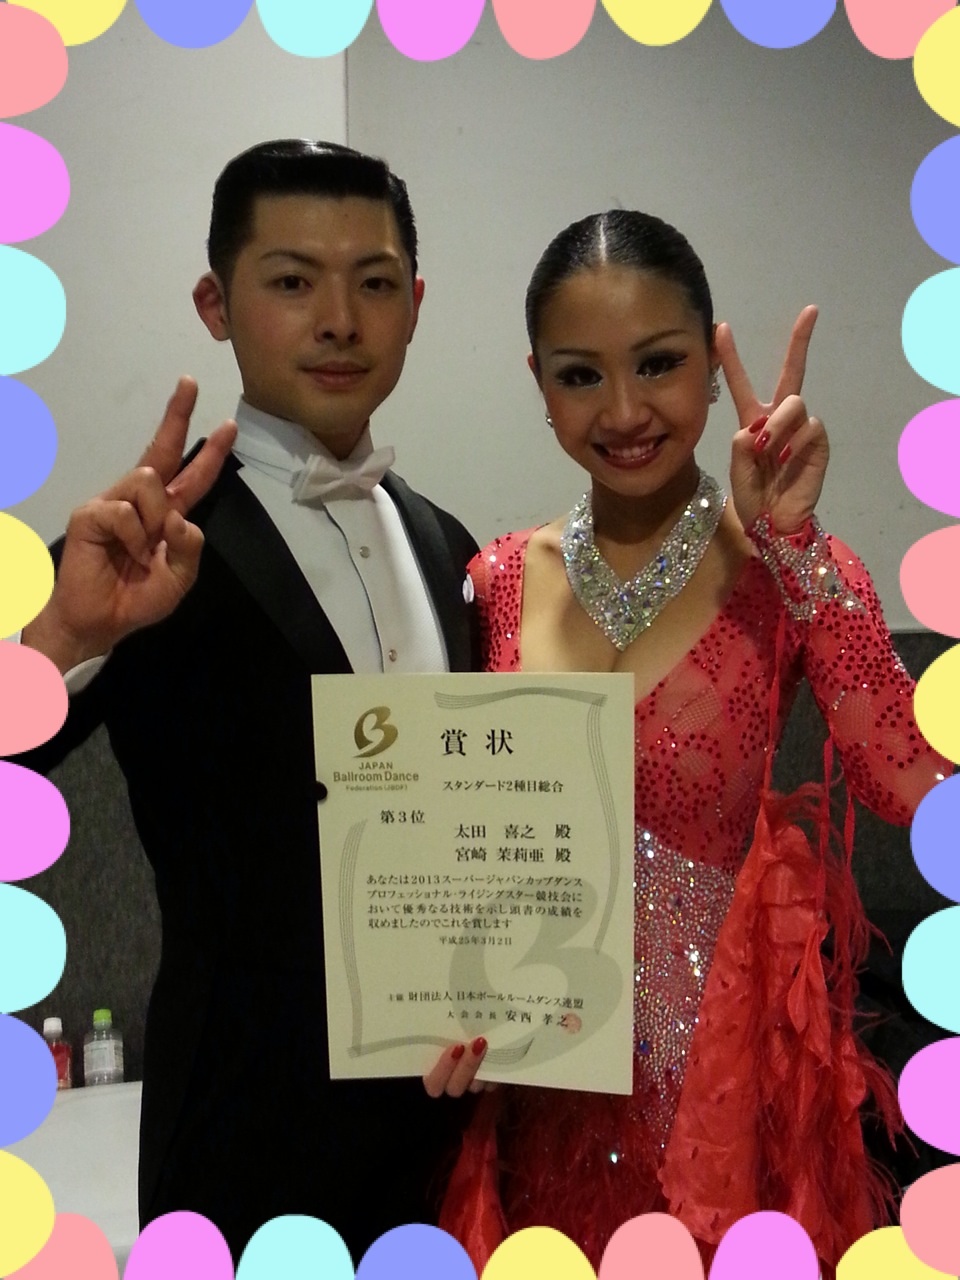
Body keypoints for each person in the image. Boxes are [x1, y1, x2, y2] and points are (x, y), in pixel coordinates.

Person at [425, 210, 949, 1275]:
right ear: (540, 383)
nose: (624, 411)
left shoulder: (782, 565)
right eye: (581, 375)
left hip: (731, 1102)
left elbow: (915, 787)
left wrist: (797, 548)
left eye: (658, 364)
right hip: (547, 1110)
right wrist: (443, 1009)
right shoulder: (495, 582)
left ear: (712, 365)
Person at [21, 139, 479, 1263]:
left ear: (415, 306)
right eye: (291, 280)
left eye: (374, 283)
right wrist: (66, 638)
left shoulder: (451, 546)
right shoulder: (143, 548)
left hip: (450, 1146)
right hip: (240, 1151)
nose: (340, 320)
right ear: (215, 305)